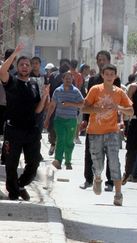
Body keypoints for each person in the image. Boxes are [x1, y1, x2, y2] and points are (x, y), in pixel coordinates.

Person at [0, 43, 50, 200]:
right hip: (13, 129)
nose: (24, 67)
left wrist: (44, 97)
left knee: (33, 163)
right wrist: (15, 53)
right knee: (11, 164)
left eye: (27, 65)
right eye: (21, 64)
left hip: (31, 131)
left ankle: (21, 185)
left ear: (30, 68)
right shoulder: (11, 81)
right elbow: (2, 71)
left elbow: (37, 109)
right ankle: (14, 192)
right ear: (17, 67)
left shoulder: (34, 84)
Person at [82, 64, 133, 206]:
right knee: (97, 163)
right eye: (107, 74)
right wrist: (95, 109)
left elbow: (131, 111)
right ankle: (97, 177)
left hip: (112, 132)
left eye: (112, 74)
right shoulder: (95, 89)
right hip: (95, 132)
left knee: (114, 162)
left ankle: (118, 194)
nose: (110, 76)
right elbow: (84, 108)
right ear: (103, 75)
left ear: (116, 76)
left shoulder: (120, 92)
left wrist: (119, 108)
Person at [79, 51, 121, 191]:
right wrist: (84, 120)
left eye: (104, 60)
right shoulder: (92, 80)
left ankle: (110, 182)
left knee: (111, 154)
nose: (101, 62)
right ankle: (89, 179)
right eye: (99, 60)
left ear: (109, 61)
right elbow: (87, 103)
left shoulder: (116, 80)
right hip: (94, 123)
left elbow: (118, 101)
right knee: (90, 152)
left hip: (109, 124)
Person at [44, 71, 84, 170]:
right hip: (59, 120)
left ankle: (68, 161)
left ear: (72, 80)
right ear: (62, 79)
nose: (68, 80)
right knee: (60, 139)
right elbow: (52, 105)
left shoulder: (76, 91)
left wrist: (70, 104)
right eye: (66, 78)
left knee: (69, 141)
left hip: (71, 120)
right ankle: (58, 161)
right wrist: (47, 119)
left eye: (70, 78)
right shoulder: (58, 91)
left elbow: (82, 104)